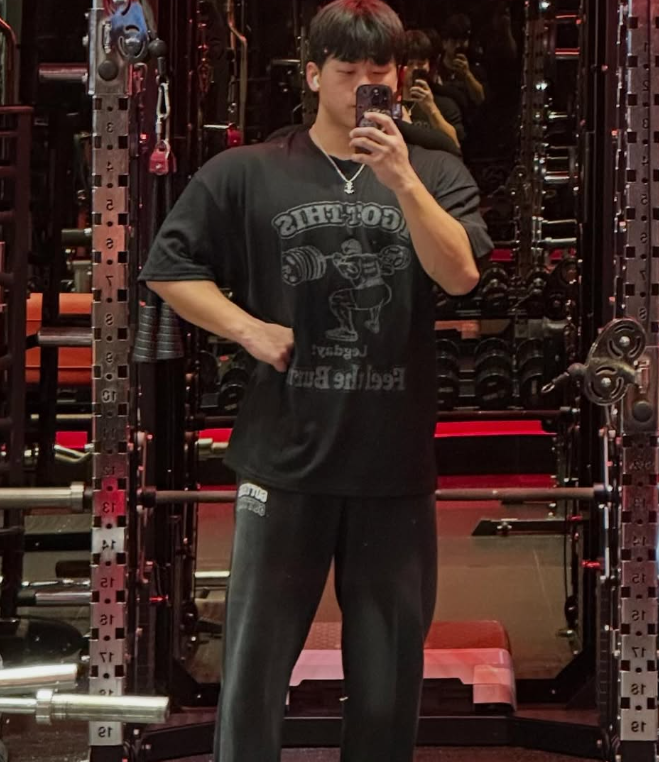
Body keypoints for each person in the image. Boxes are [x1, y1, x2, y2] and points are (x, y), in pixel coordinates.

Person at [139, 1, 493, 760]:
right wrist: (248, 328)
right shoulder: (250, 171)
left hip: (392, 468)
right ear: (312, 75)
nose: (364, 84)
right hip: (284, 461)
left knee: (388, 686)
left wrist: (402, 179)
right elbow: (169, 267)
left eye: (379, 70)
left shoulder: (435, 173)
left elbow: (460, 274)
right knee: (255, 674)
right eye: (347, 70)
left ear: (400, 76)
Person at [402, 29, 464, 148]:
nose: (415, 69)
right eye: (409, 64)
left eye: (421, 63)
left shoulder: (446, 106)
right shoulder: (389, 104)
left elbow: (455, 146)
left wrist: (431, 109)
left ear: (428, 66)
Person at [436, 13, 486, 117]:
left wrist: (467, 75)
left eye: (463, 40)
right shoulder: (435, 68)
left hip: (467, 121)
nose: (459, 45)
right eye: (454, 41)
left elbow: (480, 99)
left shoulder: (475, 67)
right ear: (444, 43)